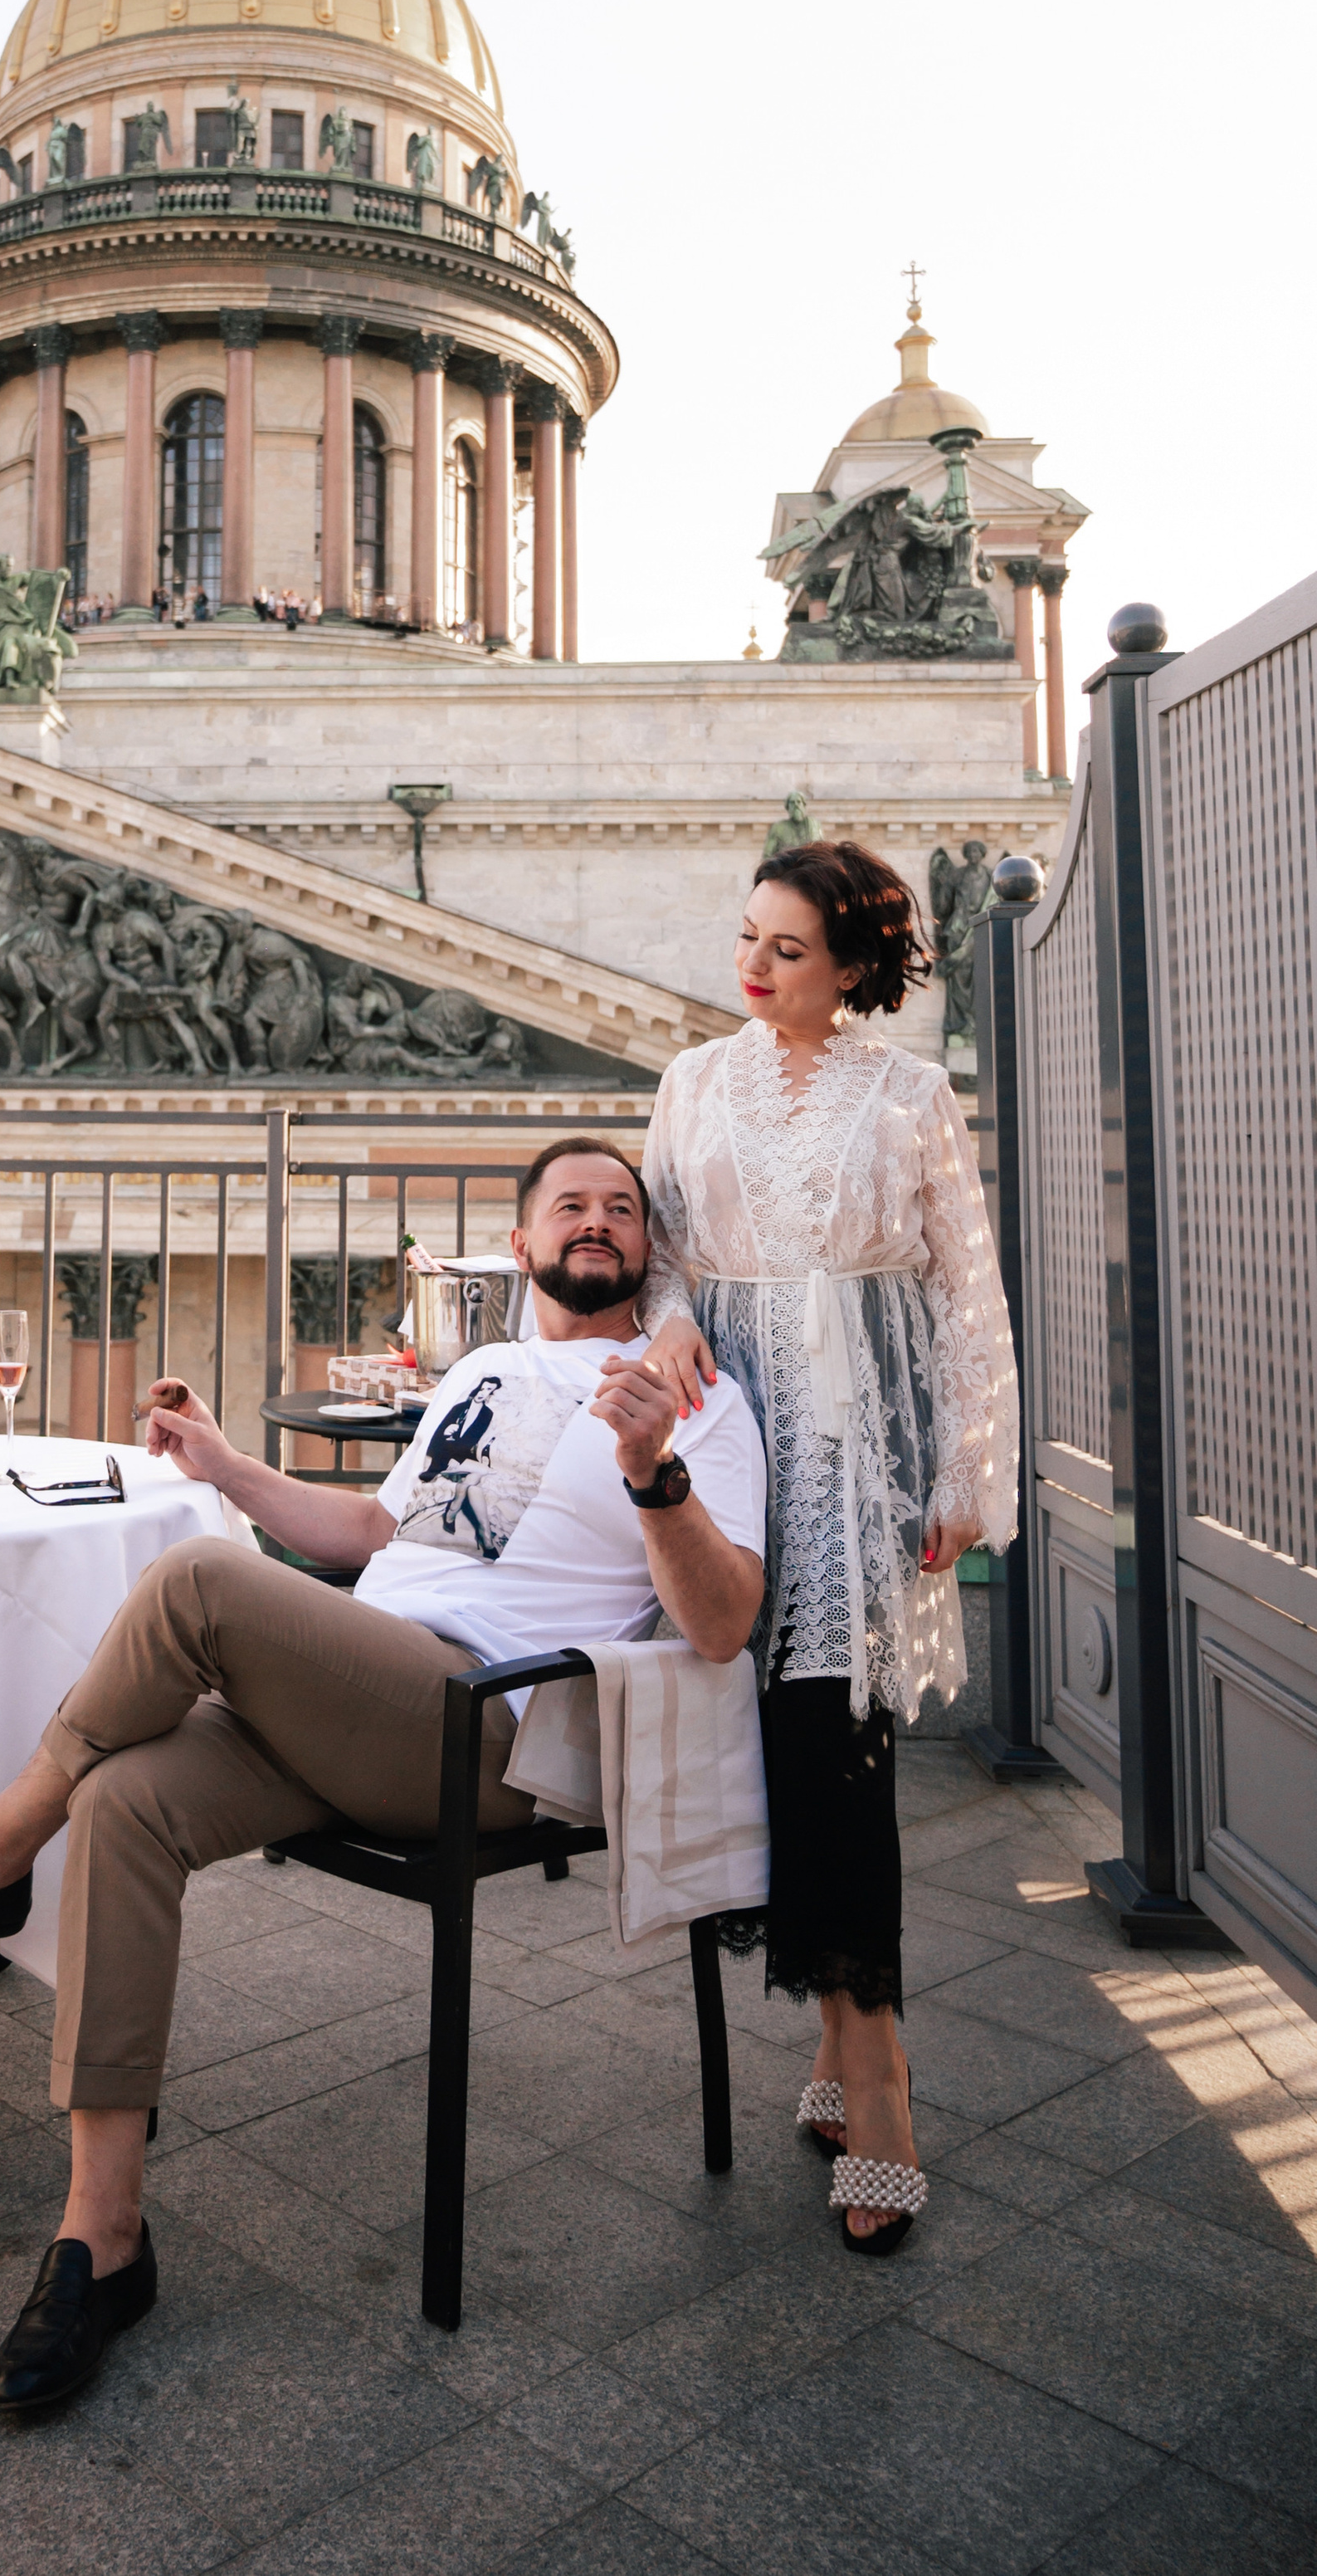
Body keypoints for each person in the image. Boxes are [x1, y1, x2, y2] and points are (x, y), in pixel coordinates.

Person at [0, 1140, 753, 2411]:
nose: (597, 1221)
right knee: (124, 1800)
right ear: (519, 1245)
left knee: (196, 1578)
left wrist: (654, 1473)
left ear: (647, 1248)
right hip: (368, 1690)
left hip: (488, 1729)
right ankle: (102, 2236)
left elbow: (725, 1621)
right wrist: (224, 1464)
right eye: (569, 1203)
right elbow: (370, 1532)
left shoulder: (695, 1399)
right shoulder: (485, 1370)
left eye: (621, 1208)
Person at [642, 838, 1018, 2255]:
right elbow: (665, 1252)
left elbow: (967, 1288)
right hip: (739, 1451)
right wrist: (670, 1319)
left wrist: (969, 1465)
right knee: (770, 1750)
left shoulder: (910, 1094)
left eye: (787, 948)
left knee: (839, 1756)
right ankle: (838, 2050)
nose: (752, 965)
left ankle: (879, 2082)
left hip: (864, 1462)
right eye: (748, 935)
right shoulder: (692, 1082)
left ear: (852, 967)